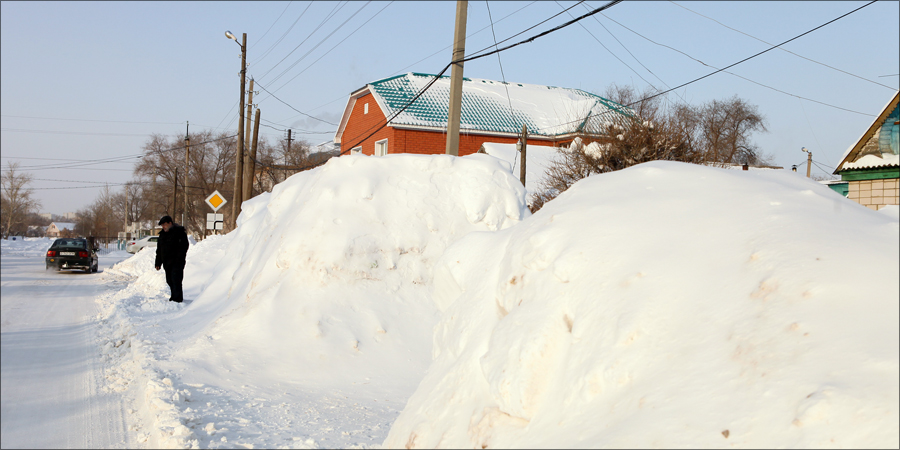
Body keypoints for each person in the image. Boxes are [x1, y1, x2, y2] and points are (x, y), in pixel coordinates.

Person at [154, 215, 189, 303]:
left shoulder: (179, 232)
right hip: (167, 262)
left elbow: (184, 247)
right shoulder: (162, 235)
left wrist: (178, 258)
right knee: (169, 280)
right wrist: (158, 262)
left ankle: (177, 299)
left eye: (165, 224)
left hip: (177, 262)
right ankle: (173, 297)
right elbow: (159, 250)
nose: (163, 227)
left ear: (170, 223)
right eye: (162, 225)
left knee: (176, 280)